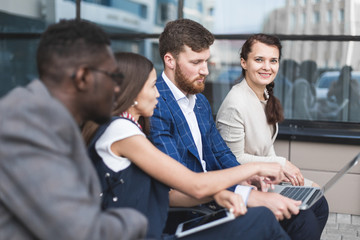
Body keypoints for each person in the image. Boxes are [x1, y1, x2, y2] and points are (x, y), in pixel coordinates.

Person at [149, 19, 329, 240]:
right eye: (196, 62)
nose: (205, 70)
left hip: (219, 197)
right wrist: (244, 191)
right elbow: (178, 185)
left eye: (207, 61)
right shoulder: (155, 104)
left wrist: (248, 179)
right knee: (285, 217)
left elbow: (222, 153)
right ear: (170, 60)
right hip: (193, 213)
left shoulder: (200, 102)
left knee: (308, 211)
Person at [82, 52, 290, 240]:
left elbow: (168, 194)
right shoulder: (120, 131)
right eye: (152, 86)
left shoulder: (128, 129)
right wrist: (255, 167)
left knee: (259, 219)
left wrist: (216, 194)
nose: (157, 94)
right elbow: (195, 185)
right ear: (131, 92)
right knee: (260, 219)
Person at [0, 19, 147, 239]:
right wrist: (140, 219)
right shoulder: (24, 123)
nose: (118, 88)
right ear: (83, 77)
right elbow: (84, 233)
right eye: (114, 77)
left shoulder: (51, 121)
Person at [216, 34, 315, 187]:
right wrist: (280, 164)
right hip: (244, 185)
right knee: (313, 202)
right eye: (259, 60)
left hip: (264, 178)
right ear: (244, 62)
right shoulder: (235, 104)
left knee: (315, 192)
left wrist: (279, 173)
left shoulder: (264, 96)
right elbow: (233, 159)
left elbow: (267, 149)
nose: (267, 67)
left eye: (273, 61)